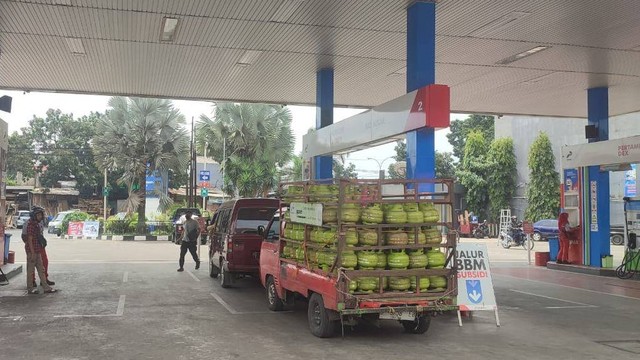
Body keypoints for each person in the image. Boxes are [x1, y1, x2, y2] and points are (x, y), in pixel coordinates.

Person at [25, 207, 56, 294]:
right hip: (32, 251)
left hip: (37, 250)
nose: (40, 217)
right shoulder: (31, 225)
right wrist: (32, 253)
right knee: (30, 271)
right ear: (34, 216)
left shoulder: (36, 224)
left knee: (41, 269)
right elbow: (29, 240)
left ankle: (46, 287)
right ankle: (30, 289)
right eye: (38, 215)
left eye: (40, 215)